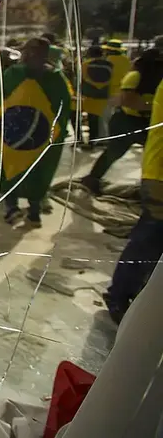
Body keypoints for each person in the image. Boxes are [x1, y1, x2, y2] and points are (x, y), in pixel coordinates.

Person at [0, 38, 70, 227]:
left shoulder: (12, 74)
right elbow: (64, 105)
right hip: (41, 137)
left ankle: (12, 209)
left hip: (12, 133)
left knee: (9, 168)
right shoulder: (56, 77)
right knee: (37, 171)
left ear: (26, 53)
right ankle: (34, 213)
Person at [102, 77, 163, 325]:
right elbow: (130, 99)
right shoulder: (137, 76)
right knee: (149, 241)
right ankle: (119, 295)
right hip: (159, 176)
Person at [80, 47, 161, 194]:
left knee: (152, 156)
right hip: (126, 121)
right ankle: (92, 179)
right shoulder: (136, 76)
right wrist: (155, 106)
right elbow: (129, 101)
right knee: (114, 152)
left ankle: (149, 187)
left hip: (146, 122)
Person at [79, 45, 112, 149]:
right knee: (101, 119)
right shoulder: (110, 64)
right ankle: (98, 140)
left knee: (91, 119)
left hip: (89, 96)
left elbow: (81, 79)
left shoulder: (85, 65)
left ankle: (90, 142)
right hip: (104, 95)